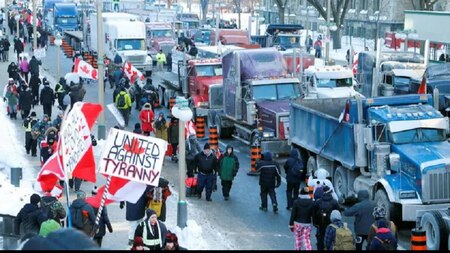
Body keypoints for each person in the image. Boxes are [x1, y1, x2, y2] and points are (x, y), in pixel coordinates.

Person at [312, 185, 341, 250]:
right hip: (332, 224)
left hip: (321, 223)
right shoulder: (334, 202)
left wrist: (315, 223)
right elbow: (338, 213)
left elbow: (314, 214)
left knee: (321, 238)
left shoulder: (318, 202)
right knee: (332, 238)